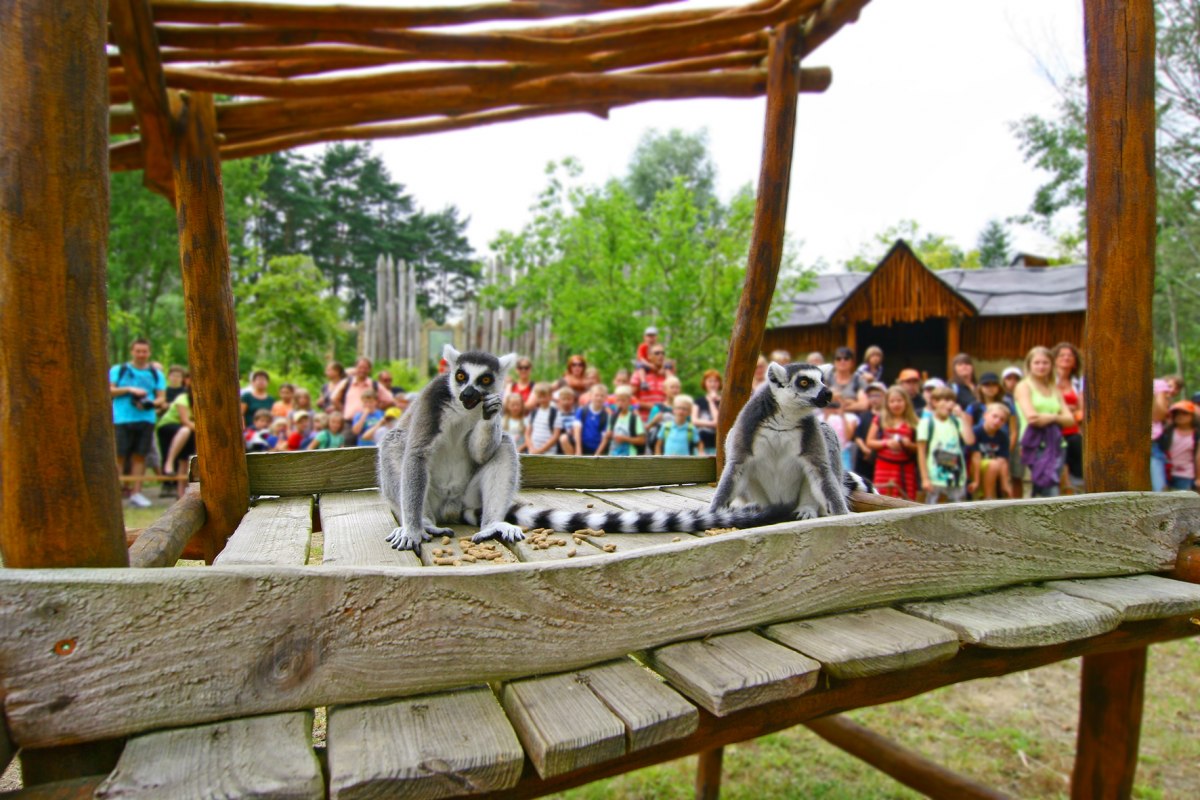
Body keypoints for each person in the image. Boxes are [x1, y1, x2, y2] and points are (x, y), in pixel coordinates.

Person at [110, 338, 168, 508]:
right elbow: (110, 390)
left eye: (144, 351)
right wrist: (130, 390)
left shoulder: (156, 373)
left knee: (139, 456)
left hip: (146, 418)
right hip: (122, 418)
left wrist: (150, 403)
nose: (141, 355)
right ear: (132, 352)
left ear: (149, 353)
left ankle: (136, 492)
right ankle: (117, 491)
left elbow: (161, 398)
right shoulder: (119, 370)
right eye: (138, 351)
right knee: (120, 456)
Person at [1014, 346, 1075, 498]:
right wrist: (1056, 417)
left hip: (1057, 444)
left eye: (1045, 363)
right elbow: (1032, 418)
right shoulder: (1024, 386)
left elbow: (1070, 420)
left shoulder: (1054, 389)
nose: (1041, 366)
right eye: (1037, 363)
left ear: (1051, 365)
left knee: (1050, 489)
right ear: (1029, 365)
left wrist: (1051, 418)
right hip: (1035, 445)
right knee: (1042, 489)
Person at [917, 385, 975, 503]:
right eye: (946, 400)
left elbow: (969, 440)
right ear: (935, 402)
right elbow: (921, 452)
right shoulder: (926, 422)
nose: (949, 404)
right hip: (936, 478)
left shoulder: (956, 421)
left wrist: (962, 416)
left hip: (957, 477)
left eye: (952, 401)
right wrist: (925, 479)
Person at [867, 386, 919, 500]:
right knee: (882, 500)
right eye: (892, 401)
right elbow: (870, 442)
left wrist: (908, 444)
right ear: (887, 403)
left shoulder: (915, 421)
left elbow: (920, 448)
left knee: (906, 501)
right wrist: (886, 443)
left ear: (906, 402)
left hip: (906, 469)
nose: (896, 404)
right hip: (884, 467)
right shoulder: (879, 419)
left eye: (899, 401)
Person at [1052, 342, 1085, 492]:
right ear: (1055, 359)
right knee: (1056, 470)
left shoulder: (1078, 383)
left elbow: (1082, 410)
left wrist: (1066, 409)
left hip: (1073, 432)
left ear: (1075, 361)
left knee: (1077, 471)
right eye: (1062, 355)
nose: (1066, 358)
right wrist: (1069, 408)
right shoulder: (1048, 381)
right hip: (1053, 431)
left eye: (1070, 355)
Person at [333, 358, 395, 436]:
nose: (362, 370)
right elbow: (334, 398)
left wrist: (377, 407)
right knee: (346, 446)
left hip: (370, 423)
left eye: (365, 368)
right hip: (349, 423)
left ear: (369, 370)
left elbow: (390, 400)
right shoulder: (347, 382)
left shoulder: (374, 384)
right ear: (355, 368)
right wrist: (343, 411)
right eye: (360, 367)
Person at [156, 384, 195, 497]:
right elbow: (185, 421)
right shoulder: (182, 399)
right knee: (185, 430)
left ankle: (181, 494)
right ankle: (169, 462)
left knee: (185, 459)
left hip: (190, 430)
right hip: (169, 426)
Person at [969, 403, 1014, 499]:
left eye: (1002, 419)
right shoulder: (976, 432)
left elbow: (1003, 460)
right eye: (994, 416)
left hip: (992, 468)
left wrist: (1005, 484)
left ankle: (1000, 493)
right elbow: (975, 457)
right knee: (993, 464)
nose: (997, 421)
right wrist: (976, 481)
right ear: (985, 415)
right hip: (973, 466)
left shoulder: (1003, 436)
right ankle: (988, 497)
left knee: (998, 463)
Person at [1157, 401, 1199, 490]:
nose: (1180, 416)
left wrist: (1198, 478)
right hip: (1165, 473)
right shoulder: (1167, 432)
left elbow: (1198, 457)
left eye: (1184, 413)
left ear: (1192, 416)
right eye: (1176, 413)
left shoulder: (1196, 435)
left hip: (1186, 475)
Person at [853, 381, 886, 481]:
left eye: (877, 395)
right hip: (863, 459)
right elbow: (857, 436)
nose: (874, 399)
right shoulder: (864, 415)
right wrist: (864, 449)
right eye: (871, 396)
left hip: (880, 458)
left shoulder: (887, 417)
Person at [1002, 366, 1026, 497]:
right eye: (1009, 378)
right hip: (1003, 438)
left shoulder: (1026, 397)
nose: (1013, 381)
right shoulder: (1001, 398)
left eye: (1016, 378)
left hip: (1020, 440)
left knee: (1017, 475)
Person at [822, 390, 860, 471]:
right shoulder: (821, 417)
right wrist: (827, 413)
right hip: (825, 453)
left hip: (843, 453)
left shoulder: (851, 418)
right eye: (833, 402)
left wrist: (842, 414)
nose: (835, 405)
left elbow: (849, 437)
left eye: (838, 402)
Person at [632, 344, 671, 420]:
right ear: (649, 356)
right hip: (643, 422)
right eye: (657, 353)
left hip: (665, 422)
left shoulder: (668, 375)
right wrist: (650, 406)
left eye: (663, 353)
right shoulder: (639, 374)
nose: (661, 355)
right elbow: (629, 398)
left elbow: (676, 398)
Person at [1151, 375, 1176, 491]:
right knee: (1159, 490)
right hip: (1151, 444)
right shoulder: (1158, 384)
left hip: (1152, 443)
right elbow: (1159, 414)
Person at [608, 385, 645, 456]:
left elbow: (642, 440)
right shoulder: (613, 417)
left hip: (630, 456)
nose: (620, 403)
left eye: (623, 400)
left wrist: (625, 439)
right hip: (613, 455)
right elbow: (609, 435)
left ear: (629, 401)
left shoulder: (635, 418)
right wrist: (608, 435)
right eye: (618, 400)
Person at [827, 346, 868, 411]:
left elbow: (864, 405)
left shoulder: (858, 380)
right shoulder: (827, 379)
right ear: (834, 362)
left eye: (846, 358)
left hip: (851, 417)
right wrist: (850, 402)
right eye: (838, 358)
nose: (842, 361)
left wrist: (841, 408)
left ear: (852, 362)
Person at [576, 383, 611, 456]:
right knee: (564, 439)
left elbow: (605, 438)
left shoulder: (607, 415)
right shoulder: (582, 411)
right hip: (583, 446)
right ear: (591, 396)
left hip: (597, 448)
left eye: (602, 396)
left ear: (605, 398)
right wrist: (578, 450)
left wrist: (596, 455)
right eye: (596, 395)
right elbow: (577, 431)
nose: (599, 398)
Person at [693, 369, 722, 455]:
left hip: (718, 445)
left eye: (715, 381)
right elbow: (694, 420)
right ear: (705, 383)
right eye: (710, 381)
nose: (713, 384)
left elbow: (719, 421)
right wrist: (713, 423)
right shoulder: (698, 401)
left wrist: (711, 402)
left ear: (719, 383)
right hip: (701, 445)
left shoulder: (724, 402)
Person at [526, 383, 560, 455]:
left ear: (550, 396)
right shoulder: (533, 413)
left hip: (549, 452)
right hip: (533, 451)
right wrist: (531, 448)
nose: (542, 399)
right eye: (539, 397)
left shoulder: (555, 413)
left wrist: (541, 450)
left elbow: (556, 435)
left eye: (544, 396)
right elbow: (527, 433)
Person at [555, 386, 579, 455]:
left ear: (573, 400)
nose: (566, 402)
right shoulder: (557, 413)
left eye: (569, 399)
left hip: (574, 439)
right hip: (561, 440)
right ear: (559, 400)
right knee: (564, 438)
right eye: (564, 399)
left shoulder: (577, 412)